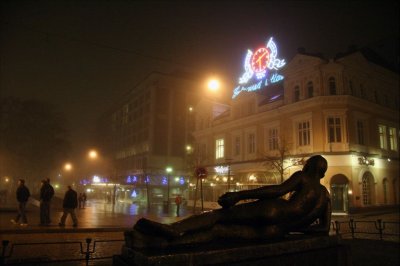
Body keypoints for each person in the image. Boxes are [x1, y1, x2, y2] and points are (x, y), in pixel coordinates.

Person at [131, 155, 331, 248]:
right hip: (277, 231)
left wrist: (239, 195)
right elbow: (323, 229)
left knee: (218, 216)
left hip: (274, 209)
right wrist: (294, 229)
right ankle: (159, 244)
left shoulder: (302, 178)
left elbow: (277, 190)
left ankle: (174, 230)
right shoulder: (324, 196)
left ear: (309, 167)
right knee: (218, 232)